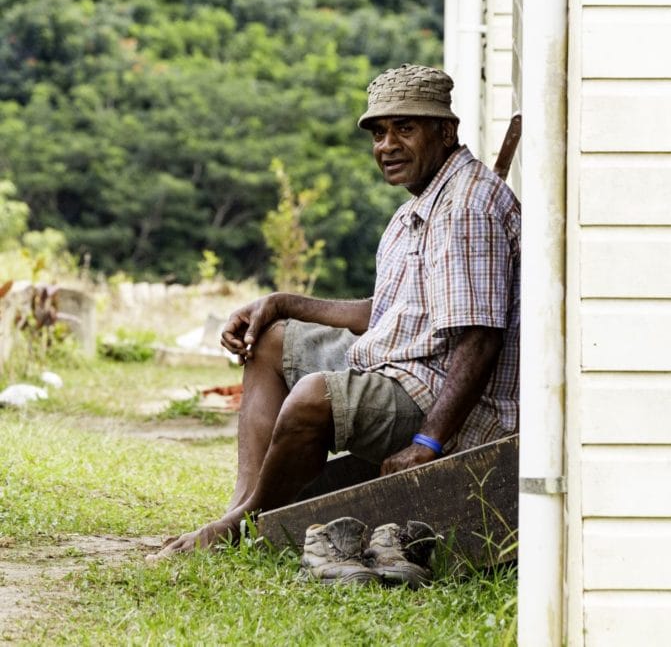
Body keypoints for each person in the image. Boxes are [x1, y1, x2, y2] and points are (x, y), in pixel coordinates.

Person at [151, 64, 520, 558]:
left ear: (445, 131)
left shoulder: (465, 208)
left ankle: (247, 526)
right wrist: (280, 302)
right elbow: (387, 312)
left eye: (404, 129)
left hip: (444, 398)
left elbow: (479, 340)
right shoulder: (426, 201)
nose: (386, 145)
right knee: (272, 339)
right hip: (404, 362)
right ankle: (241, 509)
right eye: (378, 133)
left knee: (314, 396)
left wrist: (428, 445)